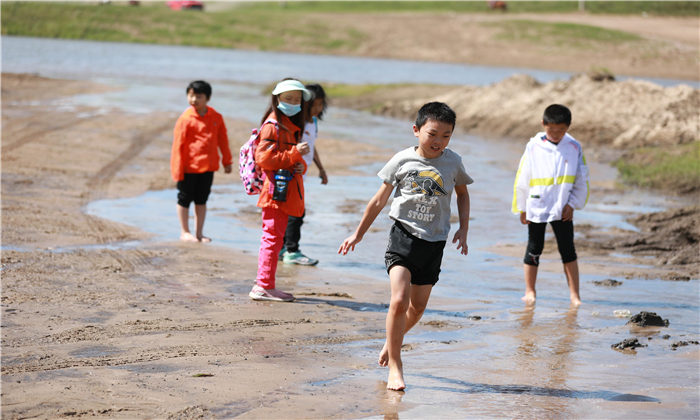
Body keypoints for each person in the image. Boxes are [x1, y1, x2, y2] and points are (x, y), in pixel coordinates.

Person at [339, 102, 473, 391]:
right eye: (433, 134)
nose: (439, 141)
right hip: (404, 237)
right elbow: (378, 200)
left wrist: (464, 227)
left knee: (418, 307)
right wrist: (358, 233)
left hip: (435, 241)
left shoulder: (453, 162)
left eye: (446, 136)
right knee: (399, 300)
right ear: (416, 130)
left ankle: (391, 342)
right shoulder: (401, 160)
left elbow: (462, 194)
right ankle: (396, 367)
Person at [511, 104, 589, 306]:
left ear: (568, 126)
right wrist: (522, 206)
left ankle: (575, 296)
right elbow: (522, 176)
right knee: (534, 248)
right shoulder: (533, 146)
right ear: (543, 124)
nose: (555, 134)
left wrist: (573, 204)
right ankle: (530, 291)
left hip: (563, 208)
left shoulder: (574, 147)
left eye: (561, 130)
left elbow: (582, 178)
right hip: (537, 207)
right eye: (551, 130)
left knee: (568, 250)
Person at [249, 78, 311, 302]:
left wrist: (298, 162)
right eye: (288, 99)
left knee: (275, 238)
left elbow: (292, 163)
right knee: (272, 238)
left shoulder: (287, 125)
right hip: (275, 191)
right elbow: (263, 158)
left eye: (297, 99)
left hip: (282, 190)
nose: (293, 103)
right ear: (277, 99)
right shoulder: (273, 125)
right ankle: (263, 286)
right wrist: (295, 155)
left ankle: (266, 284)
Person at [171, 80, 232, 243]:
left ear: (208, 98)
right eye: (190, 95)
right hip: (188, 167)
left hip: (208, 167)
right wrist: (177, 169)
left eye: (198, 96)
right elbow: (177, 145)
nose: (193, 99)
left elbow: (223, 140)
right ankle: (185, 231)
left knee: (201, 199)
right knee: (184, 198)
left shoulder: (216, 117)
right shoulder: (186, 119)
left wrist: (227, 161)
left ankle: (199, 233)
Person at [280, 83, 329, 266]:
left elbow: (311, 147)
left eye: (321, 104)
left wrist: (321, 169)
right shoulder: (297, 122)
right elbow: (290, 146)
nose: (318, 108)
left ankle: (284, 248)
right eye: (314, 104)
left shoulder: (313, 122)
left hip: (302, 173)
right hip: (291, 172)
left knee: (292, 211)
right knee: (296, 212)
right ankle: (292, 251)